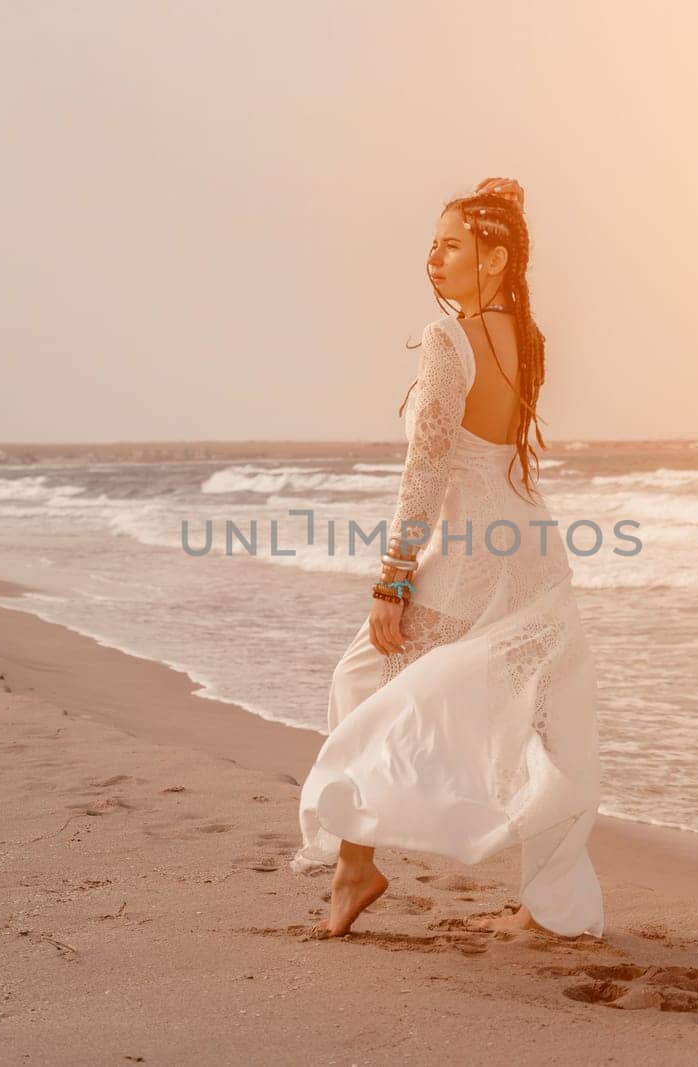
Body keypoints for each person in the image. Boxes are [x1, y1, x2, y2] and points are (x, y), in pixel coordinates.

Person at [290, 176, 604, 941]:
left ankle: (355, 863)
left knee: (363, 676)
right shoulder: (527, 340)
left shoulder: (446, 341)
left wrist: (392, 580)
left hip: (470, 556)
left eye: (452, 245)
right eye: (430, 244)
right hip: (533, 546)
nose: (433, 257)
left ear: (493, 258)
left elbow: (425, 471)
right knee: (548, 716)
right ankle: (553, 902)